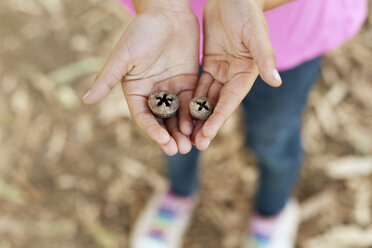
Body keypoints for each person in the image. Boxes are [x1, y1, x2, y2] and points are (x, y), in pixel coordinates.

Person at [82, 0, 368, 247]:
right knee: (178, 133)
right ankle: (178, 194)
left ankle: (273, 211)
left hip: (288, 35)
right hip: (175, 35)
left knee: (275, 138)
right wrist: (160, 7)